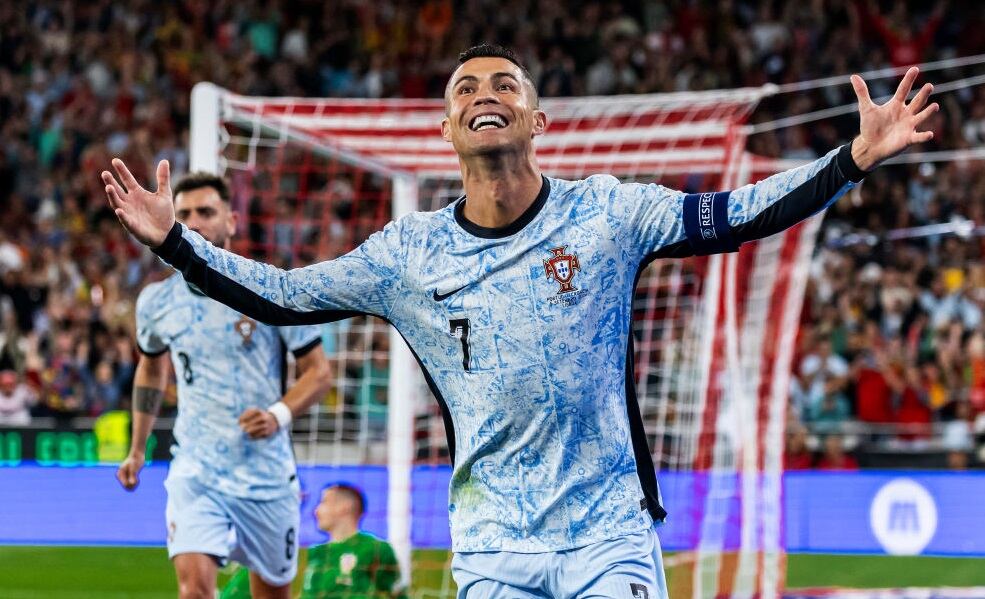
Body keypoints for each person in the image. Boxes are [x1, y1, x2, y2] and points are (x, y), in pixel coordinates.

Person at [104, 44, 937, 599]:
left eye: (504, 84)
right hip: (492, 541)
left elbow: (734, 215)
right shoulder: (408, 255)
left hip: (606, 528)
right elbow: (281, 293)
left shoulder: (606, 213)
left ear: (537, 121)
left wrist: (851, 160)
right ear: (446, 130)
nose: (483, 95)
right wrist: (176, 243)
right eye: (464, 89)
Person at [114, 172, 332, 599]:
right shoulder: (156, 303)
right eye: (187, 212)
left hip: (265, 475)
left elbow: (319, 373)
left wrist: (277, 414)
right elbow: (151, 369)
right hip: (196, 470)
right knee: (194, 591)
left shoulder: (270, 287)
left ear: (232, 221)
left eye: (207, 212)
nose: (195, 221)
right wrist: (138, 448)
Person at [221, 483, 405, 598]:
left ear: (345, 506)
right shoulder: (312, 554)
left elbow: (395, 592)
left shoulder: (375, 548)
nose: (316, 510)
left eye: (324, 502)